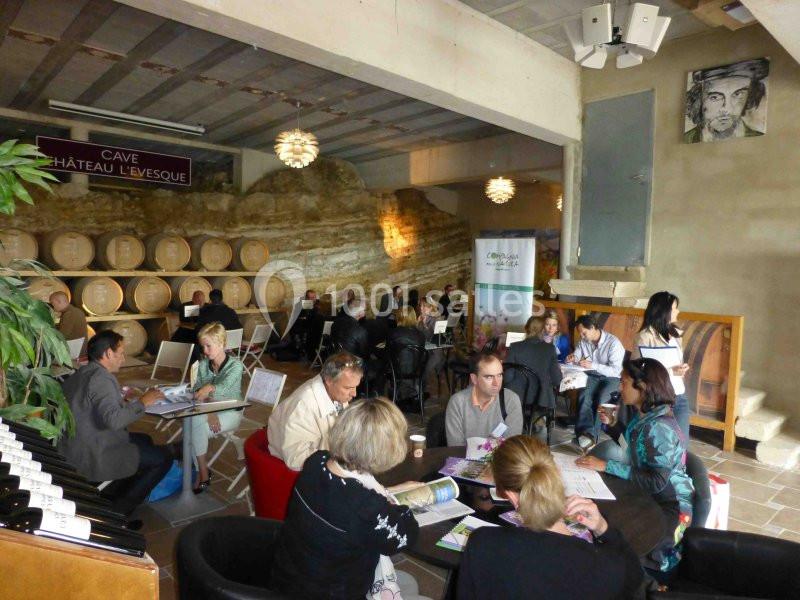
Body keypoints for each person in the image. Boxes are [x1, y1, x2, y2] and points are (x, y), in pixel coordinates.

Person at [271, 397, 428, 600]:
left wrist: (389, 491)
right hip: (331, 593)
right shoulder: (367, 507)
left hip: (292, 578)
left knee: (406, 582)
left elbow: (341, 498)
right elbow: (406, 537)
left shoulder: (315, 462)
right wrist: (402, 503)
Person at [459, 435, 644, 600]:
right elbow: (635, 578)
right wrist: (603, 528)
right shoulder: (603, 566)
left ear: (512, 497)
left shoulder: (482, 544)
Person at [577, 358, 693, 579]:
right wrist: (612, 425)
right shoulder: (649, 416)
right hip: (652, 496)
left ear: (643, 387)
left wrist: (606, 465)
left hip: (669, 508)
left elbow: (657, 481)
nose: (620, 387)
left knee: (630, 549)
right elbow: (634, 448)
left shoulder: (659, 427)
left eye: (624, 382)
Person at [58, 331, 173, 516]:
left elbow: (94, 405)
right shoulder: (101, 379)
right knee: (163, 458)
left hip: (76, 443)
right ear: (108, 354)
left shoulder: (84, 371)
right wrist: (143, 402)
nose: (123, 358)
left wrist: (123, 399)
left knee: (145, 440)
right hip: (93, 452)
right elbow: (114, 420)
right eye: (120, 353)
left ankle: (115, 489)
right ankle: (119, 513)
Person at [267, 351, 363, 470]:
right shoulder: (304, 406)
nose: (354, 393)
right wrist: (341, 458)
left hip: (328, 456)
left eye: (355, 387)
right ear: (329, 381)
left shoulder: (335, 391)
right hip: (296, 473)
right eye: (348, 387)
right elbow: (295, 459)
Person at [189, 323, 245, 493]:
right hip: (209, 409)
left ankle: (202, 472)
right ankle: (202, 470)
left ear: (222, 344)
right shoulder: (204, 364)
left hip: (231, 411)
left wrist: (208, 390)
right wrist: (209, 411)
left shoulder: (236, 366)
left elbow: (224, 388)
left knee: (193, 425)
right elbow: (197, 390)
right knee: (192, 421)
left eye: (208, 346)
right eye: (203, 346)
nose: (205, 351)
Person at [631, 291, 690, 439]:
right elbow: (640, 370)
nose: (678, 311)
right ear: (664, 311)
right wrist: (671, 371)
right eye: (675, 308)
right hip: (658, 399)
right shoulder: (644, 337)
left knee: (682, 442)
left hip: (679, 395)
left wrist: (682, 368)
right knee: (658, 443)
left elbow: (674, 361)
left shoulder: (676, 334)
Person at [567, 314, 625, 452]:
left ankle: (591, 437)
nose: (581, 336)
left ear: (593, 327)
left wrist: (594, 365)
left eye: (584, 332)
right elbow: (578, 354)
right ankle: (585, 434)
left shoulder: (613, 343)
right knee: (584, 395)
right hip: (592, 375)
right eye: (580, 333)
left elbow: (616, 371)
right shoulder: (583, 342)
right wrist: (573, 357)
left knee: (601, 399)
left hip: (611, 377)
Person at [445, 353, 523, 447]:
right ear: (474, 379)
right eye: (489, 377)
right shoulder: (458, 403)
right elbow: (456, 447)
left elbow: (512, 446)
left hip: (500, 460)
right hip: (465, 459)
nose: (496, 383)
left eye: (499, 375)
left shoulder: (511, 400)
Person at [684, 58, 769, 144]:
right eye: (715, 97)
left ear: (750, 97)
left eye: (738, 94)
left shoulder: (764, 143)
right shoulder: (687, 139)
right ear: (699, 100)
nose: (727, 109)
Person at [505, 316, 563, 412]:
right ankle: (538, 423)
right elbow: (557, 380)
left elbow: (508, 377)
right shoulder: (550, 349)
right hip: (540, 398)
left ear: (526, 328)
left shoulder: (514, 347)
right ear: (543, 330)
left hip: (517, 396)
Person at [387, 306, 427, 410]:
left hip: (396, 370)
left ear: (399, 317)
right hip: (416, 371)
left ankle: (393, 395)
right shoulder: (420, 335)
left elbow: (388, 353)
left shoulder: (393, 333)